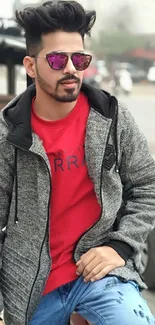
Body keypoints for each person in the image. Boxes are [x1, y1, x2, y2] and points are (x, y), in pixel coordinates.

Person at [0, 1, 155, 325]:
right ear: (30, 65)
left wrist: (120, 246)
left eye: (80, 58)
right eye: (57, 59)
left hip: (101, 273)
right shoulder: (7, 137)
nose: (71, 68)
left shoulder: (111, 117)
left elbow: (147, 184)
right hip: (30, 290)